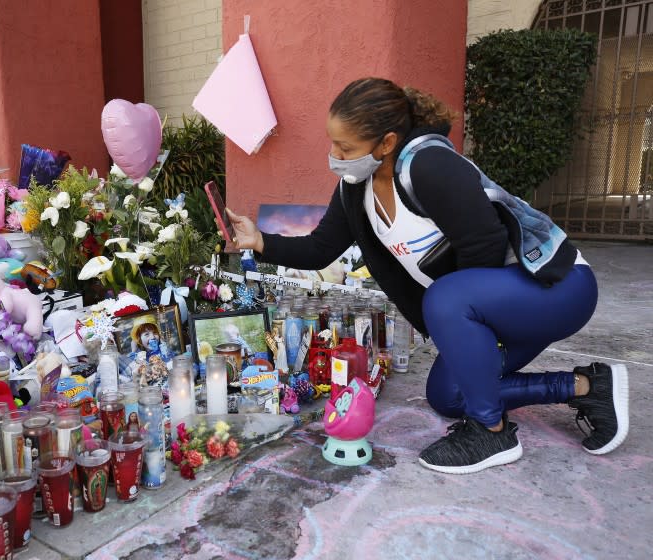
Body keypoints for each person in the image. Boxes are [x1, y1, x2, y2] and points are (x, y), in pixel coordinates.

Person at [227, 77, 630, 474]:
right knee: (448, 394)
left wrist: (467, 325)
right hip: (498, 306)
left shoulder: (429, 164)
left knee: (446, 297)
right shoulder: (355, 188)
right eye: (333, 143)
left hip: (556, 289)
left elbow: (484, 246)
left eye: (345, 147)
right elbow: (320, 248)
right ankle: (589, 388)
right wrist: (259, 240)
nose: (334, 155)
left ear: (386, 143)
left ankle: (492, 433)